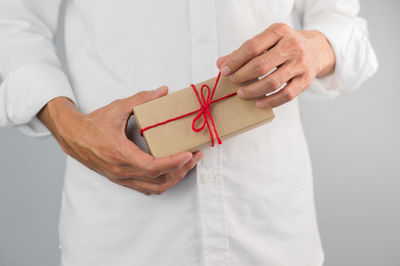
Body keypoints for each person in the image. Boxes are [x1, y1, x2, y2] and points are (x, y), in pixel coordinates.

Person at [0, 0, 377, 265]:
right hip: (122, 235)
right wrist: (69, 126)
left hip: (270, 228)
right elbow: (12, 21)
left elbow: (345, 26)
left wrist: (317, 48)